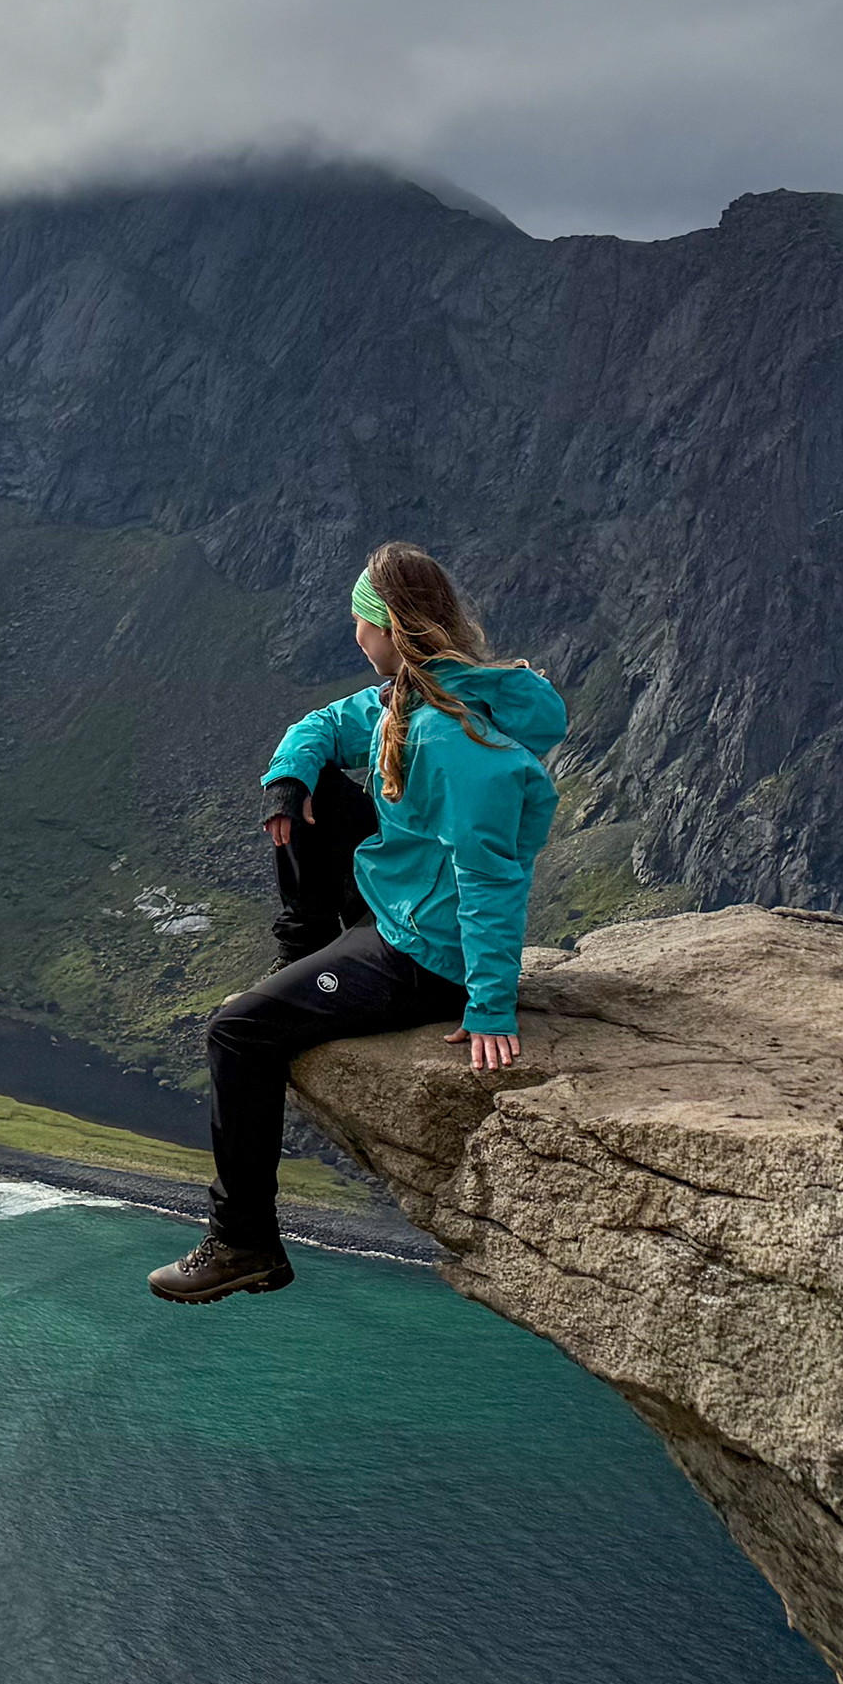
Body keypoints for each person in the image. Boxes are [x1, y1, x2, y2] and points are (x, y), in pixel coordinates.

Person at [148, 540, 564, 1304]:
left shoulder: (453, 741)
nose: (354, 635)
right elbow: (321, 724)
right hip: (397, 907)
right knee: (307, 784)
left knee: (237, 1032)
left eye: (360, 621)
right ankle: (303, 955)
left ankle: (244, 1242)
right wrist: (286, 780)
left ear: (391, 629)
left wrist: (489, 1004)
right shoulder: (414, 697)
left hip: (424, 957)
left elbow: (492, 876)